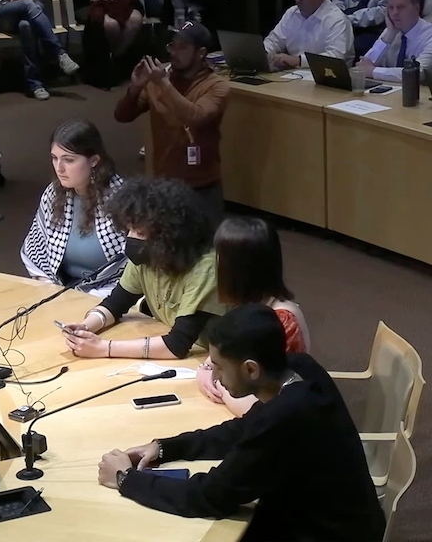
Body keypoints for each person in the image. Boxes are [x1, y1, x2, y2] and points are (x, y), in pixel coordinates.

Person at [96, 303, 385, 542]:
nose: (215, 377)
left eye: (219, 367)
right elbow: (242, 429)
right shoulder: (299, 369)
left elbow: (211, 496)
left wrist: (126, 480)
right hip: (344, 520)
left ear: (251, 369)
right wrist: (165, 447)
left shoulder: (284, 418)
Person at [61, 177, 227, 359]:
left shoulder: (206, 268)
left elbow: (177, 345)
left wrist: (103, 348)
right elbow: (115, 304)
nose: (131, 238)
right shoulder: (148, 257)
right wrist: (86, 327)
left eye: (139, 232)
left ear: (167, 236)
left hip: (213, 358)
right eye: (129, 229)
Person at [114, 21, 230, 224]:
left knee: (207, 251)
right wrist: (134, 89)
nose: (174, 52)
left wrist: (163, 83)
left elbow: (195, 116)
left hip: (201, 186)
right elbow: (122, 116)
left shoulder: (216, 86)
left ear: (201, 53)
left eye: (182, 46)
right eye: (172, 45)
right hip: (164, 184)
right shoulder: (160, 80)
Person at [196, 217, 312, 417]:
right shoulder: (248, 308)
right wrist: (207, 369)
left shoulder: (281, 322)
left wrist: (216, 382)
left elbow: (261, 410)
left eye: (219, 258)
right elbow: (217, 357)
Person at [21, 120, 126, 297]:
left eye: (69, 160)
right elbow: (35, 249)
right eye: (55, 158)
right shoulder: (53, 194)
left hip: (111, 298)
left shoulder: (123, 201)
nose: (59, 168)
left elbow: (136, 268)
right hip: (61, 294)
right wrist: (49, 288)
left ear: (94, 160)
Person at [263, 0, 354, 71]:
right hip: (293, 76)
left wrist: (298, 61)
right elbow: (273, 41)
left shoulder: (337, 20)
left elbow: (335, 57)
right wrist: (264, 54)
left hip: (328, 80)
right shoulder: (291, 13)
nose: (297, 0)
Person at [358, 0, 432, 82]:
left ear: (416, 8)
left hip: (426, 95)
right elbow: (364, 64)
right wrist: (389, 35)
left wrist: (373, 71)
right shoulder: (391, 31)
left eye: (400, 7)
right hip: (391, 94)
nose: (394, 13)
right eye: (391, 7)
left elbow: (415, 74)